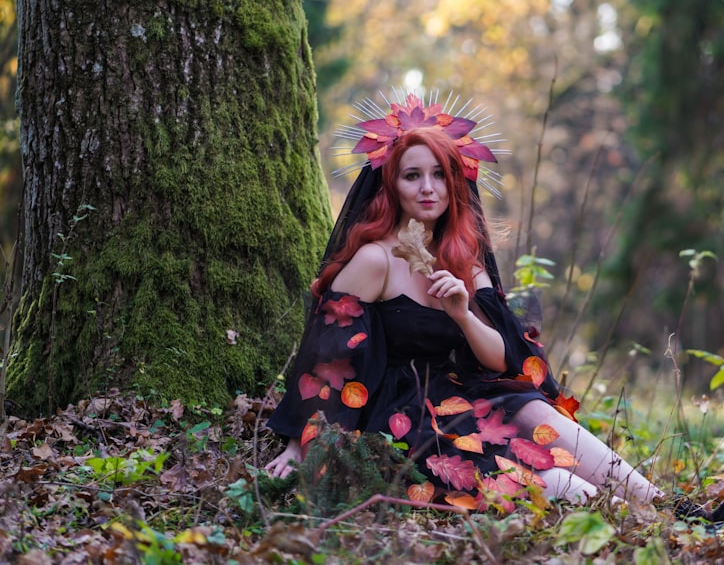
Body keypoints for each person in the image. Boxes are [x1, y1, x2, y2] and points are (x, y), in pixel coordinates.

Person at [265, 92, 666, 509]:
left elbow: (502, 360)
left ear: (454, 182)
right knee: (566, 485)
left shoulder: (462, 260)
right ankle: (620, 519)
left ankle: (669, 508)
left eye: (439, 175)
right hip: (403, 414)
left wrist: (463, 316)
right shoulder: (375, 260)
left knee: (534, 411)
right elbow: (326, 356)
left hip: (462, 398)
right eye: (412, 176)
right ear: (391, 184)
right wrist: (298, 443)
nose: (427, 188)